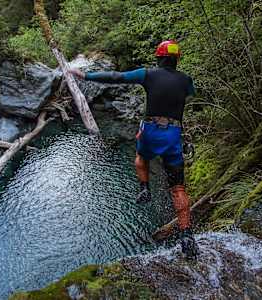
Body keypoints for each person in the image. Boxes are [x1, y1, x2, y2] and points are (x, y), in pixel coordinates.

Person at [69, 40, 198, 258]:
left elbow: (116, 78)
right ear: (177, 59)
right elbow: (190, 95)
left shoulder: (147, 74)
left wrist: (85, 75)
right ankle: (187, 235)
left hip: (150, 131)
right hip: (173, 134)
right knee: (178, 188)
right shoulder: (186, 80)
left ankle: (145, 188)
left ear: (158, 58)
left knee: (140, 157)